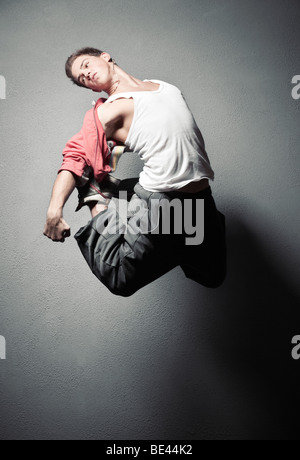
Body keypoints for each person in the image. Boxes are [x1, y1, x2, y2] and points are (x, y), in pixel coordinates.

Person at [43, 47, 226, 297]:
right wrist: (55, 210)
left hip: (199, 198)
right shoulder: (108, 111)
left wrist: (117, 149)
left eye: (86, 65)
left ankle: (168, 237)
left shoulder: (162, 86)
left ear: (105, 56)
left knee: (213, 275)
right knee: (120, 279)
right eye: (82, 79)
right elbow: (74, 156)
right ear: (93, 89)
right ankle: (98, 200)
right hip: (163, 201)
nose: (86, 75)